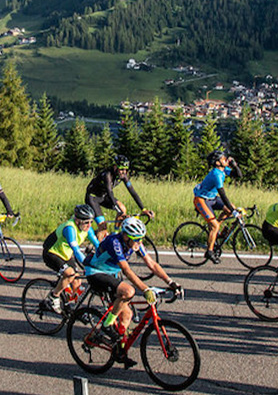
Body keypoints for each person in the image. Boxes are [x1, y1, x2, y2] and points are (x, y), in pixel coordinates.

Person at [84, 215, 181, 368]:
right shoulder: (114, 242)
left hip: (111, 273)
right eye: (135, 239)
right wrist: (145, 289)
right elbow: (126, 270)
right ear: (125, 236)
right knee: (128, 291)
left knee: (127, 314)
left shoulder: (135, 243)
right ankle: (106, 325)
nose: (138, 243)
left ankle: (120, 351)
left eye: (141, 239)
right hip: (96, 272)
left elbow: (151, 264)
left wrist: (171, 282)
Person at [42, 204, 100, 314]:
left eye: (91, 222)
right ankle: (53, 297)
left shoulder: (87, 228)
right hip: (51, 253)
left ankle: (68, 307)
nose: (89, 225)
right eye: (86, 222)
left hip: (65, 255)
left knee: (77, 282)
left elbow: (98, 245)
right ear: (77, 221)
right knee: (69, 274)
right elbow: (77, 250)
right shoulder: (70, 228)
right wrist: (88, 265)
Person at [85, 155, 154, 240]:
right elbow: (110, 192)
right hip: (93, 198)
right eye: (121, 169)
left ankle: (115, 234)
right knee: (103, 226)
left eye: (125, 169)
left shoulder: (123, 176)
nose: (123, 172)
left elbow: (133, 192)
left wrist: (143, 209)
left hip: (104, 196)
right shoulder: (107, 175)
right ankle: (99, 249)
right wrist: (120, 212)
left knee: (122, 209)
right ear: (115, 167)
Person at [193, 149, 242, 264]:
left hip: (212, 198)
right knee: (215, 225)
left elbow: (238, 175)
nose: (226, 159)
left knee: (230, 209)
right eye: (223, 158)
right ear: (217, 162)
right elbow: (223, 195)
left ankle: (216, 232)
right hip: (202, 200)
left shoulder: (223, 169)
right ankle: (209, 252)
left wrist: (235, 165)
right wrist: (233, 211)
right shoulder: (216, 174)